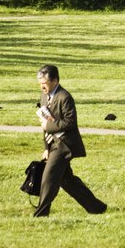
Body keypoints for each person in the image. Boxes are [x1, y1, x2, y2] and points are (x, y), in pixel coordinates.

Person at [32, 64, 107, 218]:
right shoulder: (44, 96)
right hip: (53, 144)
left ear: (54, 80)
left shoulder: (65, 97)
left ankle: (40, 215)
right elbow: (44, 123)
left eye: (44, 83)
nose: (42, 87)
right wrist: (46, 147)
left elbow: (70, 122)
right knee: (67, 180)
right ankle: (97, 208)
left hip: (65, 144)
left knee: (49, 176)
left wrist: (49, 126)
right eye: (39, 83)